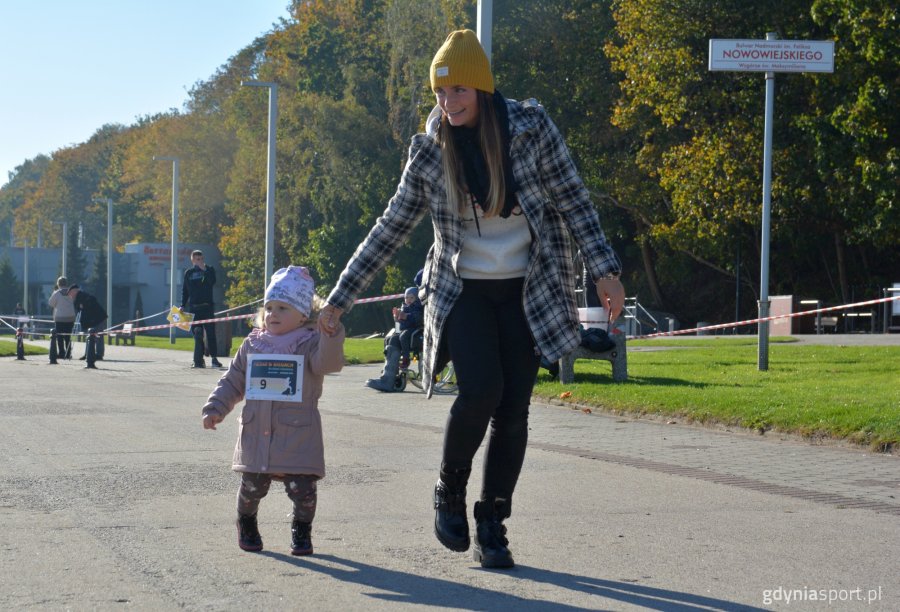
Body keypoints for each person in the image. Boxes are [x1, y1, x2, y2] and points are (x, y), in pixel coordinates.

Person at [318, 29, 625, 569]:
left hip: (529, 289)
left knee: (514, 410)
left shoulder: (531, 131)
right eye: (439, 93)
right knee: (481, 390)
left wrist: (605, 270)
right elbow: (390, 227)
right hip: (462, 291)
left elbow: (575, 199)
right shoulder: (431, 151)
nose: (447, 102)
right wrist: (340, 298)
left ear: (481, 89)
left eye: (458, 90)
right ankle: (449, 490)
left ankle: (493, 522)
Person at [201, 266, 345, 555]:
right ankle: (246, 521)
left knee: (303, 491)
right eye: (268, 307)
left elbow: (328, 364)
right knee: (251, 488)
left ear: (303, 314)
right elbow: (233, 380)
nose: (273, 314)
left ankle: (301, 531)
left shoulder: (310, 343)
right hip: (257, 432)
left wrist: (331, 335)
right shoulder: (253, 344)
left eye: (282, 307)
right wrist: (216, 406)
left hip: (298, 434)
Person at [181, 250, 222, 369]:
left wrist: (204, 270)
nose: (199, 261)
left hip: (207, 307)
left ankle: (214, 359)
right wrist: (183, 305)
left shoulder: (209, 270)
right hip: (194, 308)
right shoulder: (188, 273)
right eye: (197, 259)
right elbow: (185, 291)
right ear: (192, 260)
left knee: (211, 334)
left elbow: (212, 282)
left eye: (201, 259)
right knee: (197, 333)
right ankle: (199, 360)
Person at [68, 284, 108, 368]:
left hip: (97, 318)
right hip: (92, 320)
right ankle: (88, 354)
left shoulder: (82, 295)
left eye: (70, 293)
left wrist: (83, 305)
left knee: (98, 337)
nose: (70, 295)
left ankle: (98, 354)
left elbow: (91, 301)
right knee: (90, 337)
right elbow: (79, 308)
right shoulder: (78, 298)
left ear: (75, 291)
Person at [394, 287, 424, 368]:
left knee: (403, 336)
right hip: (405, 329)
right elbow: (399, 324)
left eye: (411, 297)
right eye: (406, 297)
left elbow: (419, 319)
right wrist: (396, 318)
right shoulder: (403, 308)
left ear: (417, 298)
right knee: (392, 338)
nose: (408, 300)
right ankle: (392, 366)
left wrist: (407, 317)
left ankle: (406, 359)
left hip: (416, 329)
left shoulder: (418, 307)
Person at [48, 276, 76, 358]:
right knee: (68, 336)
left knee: (60, 336)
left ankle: (61, 353)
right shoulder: (71, 292)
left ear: (58, 284)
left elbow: (51, 303)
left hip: (60, 317)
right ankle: (68, 353)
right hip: (70, 317)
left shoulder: (57, 293)